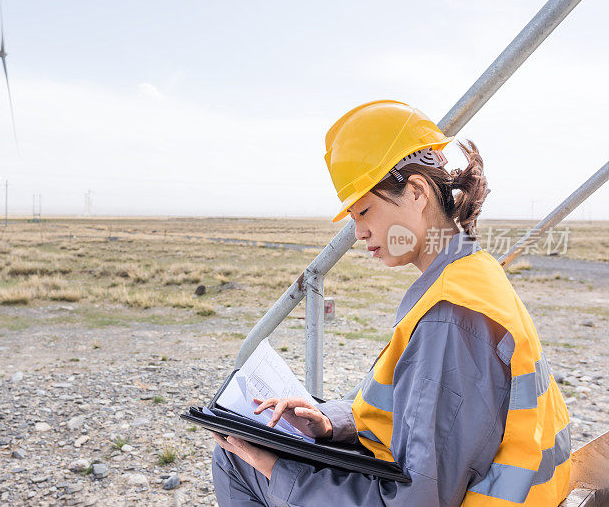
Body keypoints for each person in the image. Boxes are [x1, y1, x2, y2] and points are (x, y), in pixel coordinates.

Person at [211, 100, 571, 506]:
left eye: (364, 210)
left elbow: (414, 499)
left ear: (416, 192)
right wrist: (332, 422)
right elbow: (424, 418)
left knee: (236, 459)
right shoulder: (473, 272)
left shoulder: (450, 319)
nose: (359, 232)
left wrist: (281, 475)